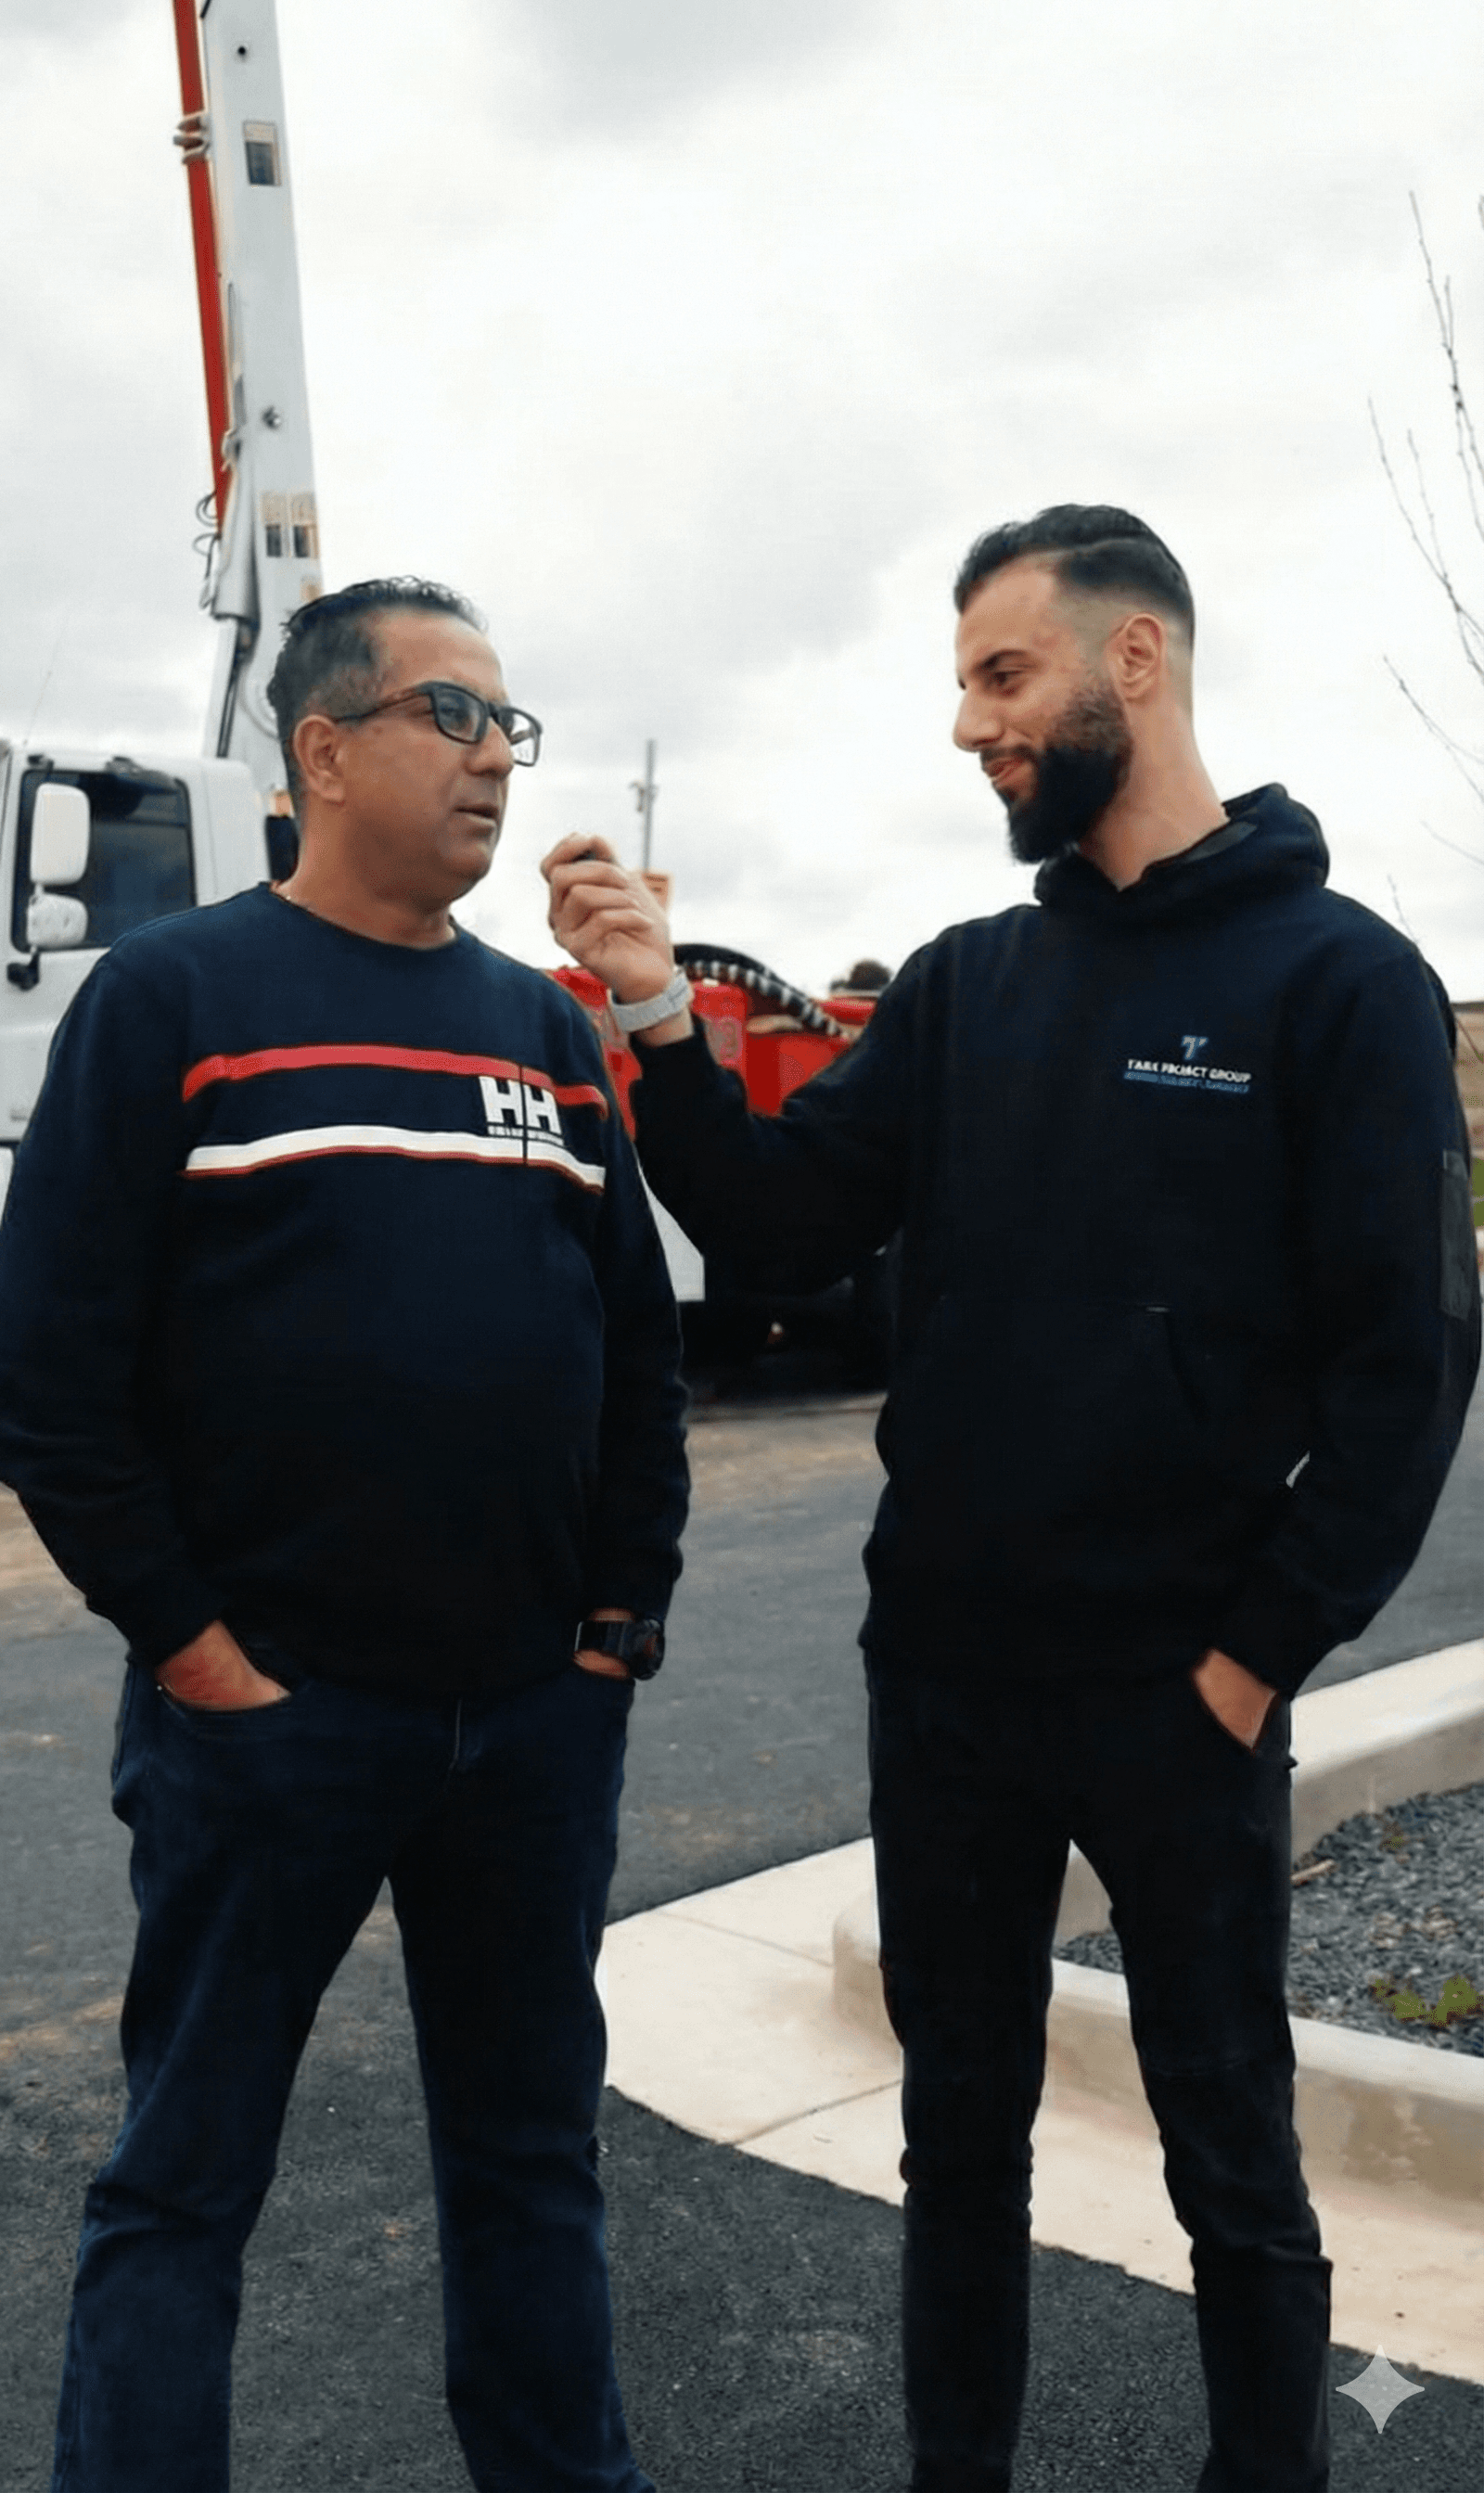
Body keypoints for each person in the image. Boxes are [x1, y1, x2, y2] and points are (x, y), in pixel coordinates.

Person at [544, 505, 1481, 2493]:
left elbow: (1408, 1370)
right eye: (958, 684)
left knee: (1224, 2135)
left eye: (999, 675)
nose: (969, 725)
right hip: (947, 1685)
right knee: (947, 2137)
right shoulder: (968, 988)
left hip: (1175, 1689)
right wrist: (648, 1018)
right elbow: (785, 1231)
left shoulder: (1340, 983)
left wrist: (1245, 1662)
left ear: (1131, 661)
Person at [0, 577, 687, 2493]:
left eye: (506, 727)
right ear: (321, 746)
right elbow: (49, 1384)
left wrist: (617, 1619)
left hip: (529, 1730)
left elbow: (637, 1354)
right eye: (451, 718)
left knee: (531, 2166)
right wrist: (200, 1653)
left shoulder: (546, 1035)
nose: (492, 761)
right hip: (272, 1731)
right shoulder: (175, 1004)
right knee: (183, 2181)